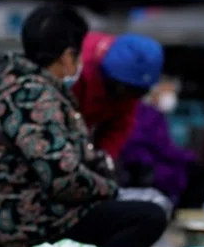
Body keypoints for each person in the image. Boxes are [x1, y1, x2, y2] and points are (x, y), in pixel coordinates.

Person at [0, 3, 169, 247]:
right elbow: (63, 179)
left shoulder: (37, 90)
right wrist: (109, 189)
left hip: (42, 209)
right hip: (24, 220)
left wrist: (101, 172)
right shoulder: (33, 97)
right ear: (67, 57)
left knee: (146, 205)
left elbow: (76, 157)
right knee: (149, 216)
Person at [70, 31, 165, 160]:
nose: (129, 97)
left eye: (138, 92)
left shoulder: (132, 86)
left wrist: (104, 158)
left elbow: (120, 124)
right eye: (126, 89)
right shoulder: (78, 64)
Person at [117, 77, 199, 208]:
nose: (171, 97)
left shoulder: (149, 112)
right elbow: (164, 148)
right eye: (168, 91)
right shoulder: (149, 113)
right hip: (147, 166)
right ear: (155, 91)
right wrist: (189, 156)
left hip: (143, 165)